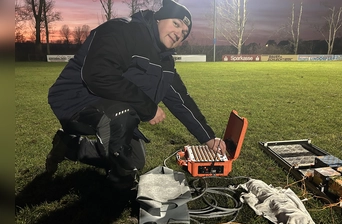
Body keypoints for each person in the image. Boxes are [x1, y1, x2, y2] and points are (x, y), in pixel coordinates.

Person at [46, 0, 226, 191]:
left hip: (110, 106)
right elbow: (97, 75)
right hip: (75, 98)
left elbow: (181, 100)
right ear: (159, 18)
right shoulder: (124, 29)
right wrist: (149, 108)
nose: (179, 33)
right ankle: (120, 188)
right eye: (176, 23)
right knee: (122, 122)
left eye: (184, 33)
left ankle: (68, 146)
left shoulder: (164, 61)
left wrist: (209, 138)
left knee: (134, 160)